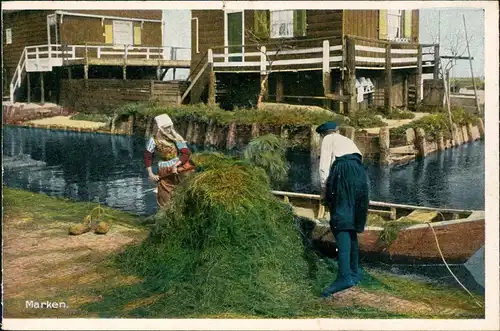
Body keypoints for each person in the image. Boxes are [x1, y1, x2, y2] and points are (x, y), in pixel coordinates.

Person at [316, 121, 369, 297]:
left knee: (340, 221)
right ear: (337, 130)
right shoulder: (346, 140)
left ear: (324, 134)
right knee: (351, 222)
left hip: (343, 172)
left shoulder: (327, 139)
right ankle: (355, 272)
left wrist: (324, 191)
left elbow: (324, 168)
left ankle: (344, 277)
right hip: (361, 174)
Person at [144, 114, 196, 207]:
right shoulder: (153, 140)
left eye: (169, 127)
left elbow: (186, 153)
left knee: (182, 192)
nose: (168, 130)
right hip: (164, 170)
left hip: (179, 167)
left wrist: (176, 165)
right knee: (165, 197)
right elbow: (148, 156)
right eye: (166, 128)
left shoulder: (175, 137)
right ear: (160, 128)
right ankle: (165, 216)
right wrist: (151, 174)